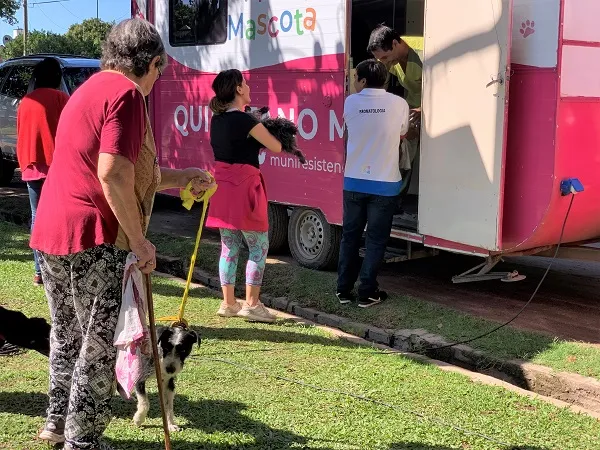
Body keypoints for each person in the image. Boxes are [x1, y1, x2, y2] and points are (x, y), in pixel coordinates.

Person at [30, 18, 214, 450]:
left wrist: (182, 176)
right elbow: (112, 174)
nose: (156, 82)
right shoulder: (128, 94)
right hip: (95, 236)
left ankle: (58, 423)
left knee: (67, 335)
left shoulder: (87, 90)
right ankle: (83, 440)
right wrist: (139, 241)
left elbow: (128, 172)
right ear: (152, 63)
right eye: (159, 72)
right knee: (97, 345)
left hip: (53, 231)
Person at [206, 69, 283, 323]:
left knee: (229, 247)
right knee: (258, 246)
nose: (249, 87)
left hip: (222, 188)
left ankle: (229, 303)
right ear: (238, 89)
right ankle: (252, 304)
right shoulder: (246, 120)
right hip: (246, 187)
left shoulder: (216, 120)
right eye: (245, 83)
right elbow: (276, 146)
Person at [336, 59, 410, 308]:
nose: (354, 82)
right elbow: (402, 133)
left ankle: (343, 290)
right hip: (385, 184)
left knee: (350, 237)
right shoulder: (399, 103)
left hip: (354, 182)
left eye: (356, 77)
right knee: (376, 241)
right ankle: (367, 292)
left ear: (364, 80)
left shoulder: (350, 102)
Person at [16, 57, 70, 286]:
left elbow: (22, 134)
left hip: (31, 166)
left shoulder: (25, 102)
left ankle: (39, 271)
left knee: (37, 217)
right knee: (63, 219)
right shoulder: (61, 99)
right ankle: (61, 268)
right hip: (58, 168)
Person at [367, 25, 422, 180]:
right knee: (404, 150)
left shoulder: (424, 52)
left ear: (395, 43)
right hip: (411, 108)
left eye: (384, 58)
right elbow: (380, 84)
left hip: (435, 107)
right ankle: (399, 188)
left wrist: (423, 109)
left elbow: (444, 87)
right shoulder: (389, 58)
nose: (383, 62)